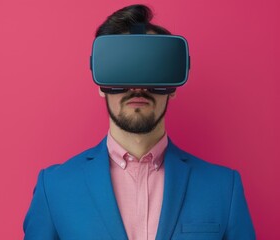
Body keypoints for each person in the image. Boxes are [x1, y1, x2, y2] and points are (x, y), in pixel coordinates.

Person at [23, 4, 255, 240]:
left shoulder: (224, 189)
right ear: (101, 84)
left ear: (172, 85)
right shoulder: (54, 189)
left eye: (151, 68)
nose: (137, 87)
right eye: (123, 68)